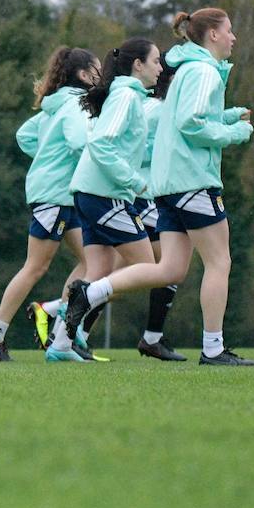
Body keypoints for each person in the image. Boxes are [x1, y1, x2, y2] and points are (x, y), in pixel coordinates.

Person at [60, 8, 254, 367]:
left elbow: (173, 117)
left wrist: (227, 116)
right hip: (193, 181)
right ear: (212, 35)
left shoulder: (186, 72)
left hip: (168, 188)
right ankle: (213, 348)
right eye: (229, 30)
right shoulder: (203, 71)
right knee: (220, 262)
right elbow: (190, 123)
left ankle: (89, 293)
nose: (233, 37)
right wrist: (234, 133)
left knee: (169, 271)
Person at [0, 47, 98, 363]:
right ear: (84, 75)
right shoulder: (75, 103)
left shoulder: (56, 105)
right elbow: (78, 141)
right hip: (54, 195)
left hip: (60, 194)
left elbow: (26, 135)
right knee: (36, 267)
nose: (102, 76)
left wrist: (48, 157)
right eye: (97, 70)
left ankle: (61, 334)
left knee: (92, 262)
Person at [54, 37, 165, 363]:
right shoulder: (126, 97)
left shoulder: (127, 96)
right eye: (156, 61)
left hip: (91, 193)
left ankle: (60, 345)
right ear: (138, 65)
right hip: (103, 195)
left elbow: (124, 146)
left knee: (100, 269)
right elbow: (101, 145)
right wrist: (134, 182)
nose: (161, 68)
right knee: (148, 266)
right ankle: (79, 298)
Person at [134, 58, 186, 361]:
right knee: (165, 268)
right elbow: (135, 151)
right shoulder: (158, 110)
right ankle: (58, 315)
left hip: (147, 197)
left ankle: (152, 338)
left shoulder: (156, 108)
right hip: (143, 197)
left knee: (166, 269)